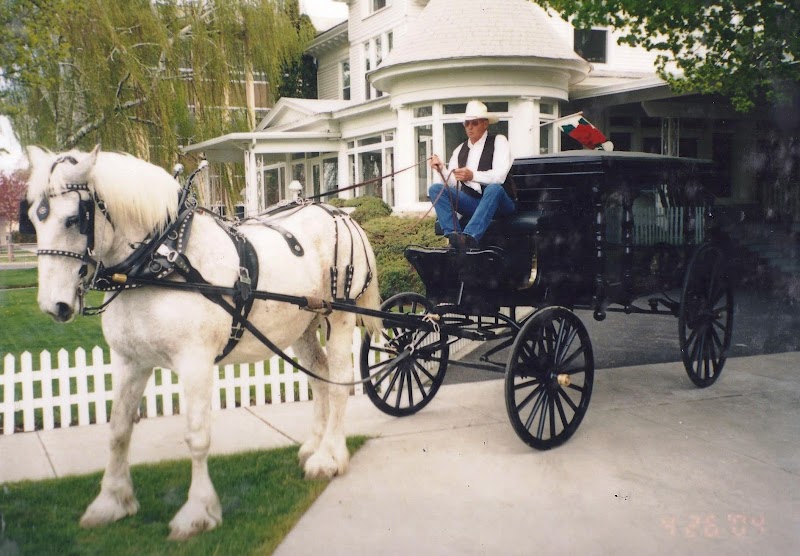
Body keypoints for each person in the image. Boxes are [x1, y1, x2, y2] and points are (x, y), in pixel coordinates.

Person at [428, 100, 516, 250]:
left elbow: (499, 177)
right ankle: (455, 238)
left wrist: (472, 176)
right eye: (466, 123)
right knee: (435, 189)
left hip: (500, 204)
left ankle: (469, 238)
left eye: (474, 123)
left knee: (493, 189)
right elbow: (453, 183)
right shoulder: (459, 150)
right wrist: (441, 169)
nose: (469, 127)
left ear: (485, 124)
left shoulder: (499, 141)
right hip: (473, 204)